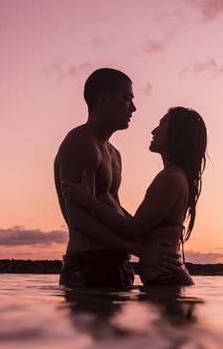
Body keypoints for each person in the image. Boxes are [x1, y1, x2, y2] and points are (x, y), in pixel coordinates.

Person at [55, 68, 180, 289]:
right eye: (126, 98)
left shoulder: (113, 153)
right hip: (88, 265)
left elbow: (113, 207)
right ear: (102, 99)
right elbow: (79, 221)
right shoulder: (80, 143)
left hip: (119, 264)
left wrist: (147, 234)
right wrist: (140, 251)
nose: (133, 107)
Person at [61, 106, 206, 287]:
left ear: (178, 134)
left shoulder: (171, 178)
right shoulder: (175, 176)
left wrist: (89, 201)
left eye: (163, 124)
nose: (154, 130)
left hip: (166, 280)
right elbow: (140, 224)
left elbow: (133, 229)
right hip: (166, 279)